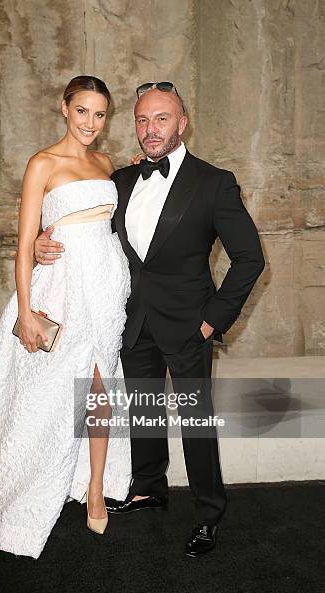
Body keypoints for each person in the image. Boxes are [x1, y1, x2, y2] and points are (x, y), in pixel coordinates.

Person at [34, 81, 265, 558]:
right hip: (130, 319)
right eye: (142, 120)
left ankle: (208, 512)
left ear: (182, 124)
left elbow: (250, 259)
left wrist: (212, 321)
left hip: (189, 323)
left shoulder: (213, 182)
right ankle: (149, 487)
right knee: (142, 407)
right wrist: (40, 242)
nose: (150, 129)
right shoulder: (119, 180)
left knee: (197, 421)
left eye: (161, 119)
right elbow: (81, 228)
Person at [0, 75, 131, 559]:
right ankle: (11, 509)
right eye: (83, 111)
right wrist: (27, 312)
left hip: (106, 290)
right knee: (38, 402)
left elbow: (106, 225)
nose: (91, 124)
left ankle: (95, 488)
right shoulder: (42, 164)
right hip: (58, 294)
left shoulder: (105, 163)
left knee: (101, 390)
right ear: (64, 108)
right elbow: (23, 247)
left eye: (100, 114)